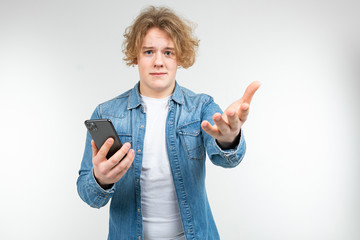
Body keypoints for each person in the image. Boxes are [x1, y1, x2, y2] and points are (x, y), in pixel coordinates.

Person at [77, 6, 260, 240]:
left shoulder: (202, 107)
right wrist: (100, 180)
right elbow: (87, 193)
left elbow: (228, 160)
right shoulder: (107, 113)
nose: (158, 62)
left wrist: (229, 139)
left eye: (168, 52)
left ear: (180, 58)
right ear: (135, 55)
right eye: (149, 52)